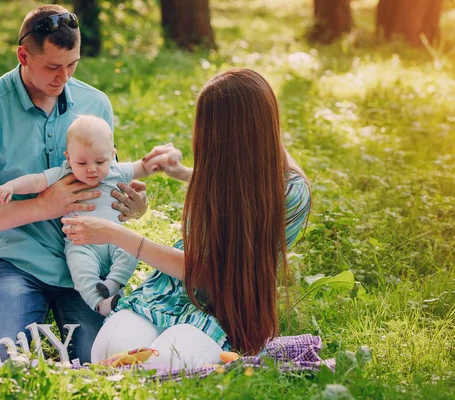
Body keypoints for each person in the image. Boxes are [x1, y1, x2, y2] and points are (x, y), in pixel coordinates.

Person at [0, 5, 147, 363]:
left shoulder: (96, 103)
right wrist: (44, 206)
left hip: (89, 267)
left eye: (72, 65)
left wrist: (134, 206)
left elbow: (107, 181)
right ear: (23, 55)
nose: (63, 78)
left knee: (107, 365)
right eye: (52, 67)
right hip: (18, 264)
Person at [62, 69, 312, 368]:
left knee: (165, 362)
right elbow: (237, 181)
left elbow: (210, 273)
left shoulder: (291, 194)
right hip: (168, 291)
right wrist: (182, 173)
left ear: (235, 138)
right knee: (108, 349)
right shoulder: (232, 166)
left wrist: (115, 234)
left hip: (224, 308)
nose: (198, 138)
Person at [0, 115, 167, 316]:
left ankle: (112, 284)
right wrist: (11, 186)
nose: (91, 169)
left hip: (114, 236)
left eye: (100, 161)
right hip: (81, 243)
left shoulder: (116, 171)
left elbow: (143, 167)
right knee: (80, 272)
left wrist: (158, 160)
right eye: (82, 163)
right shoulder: (64, 173)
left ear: (112, 155)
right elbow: (36, 181)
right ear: (68, 158)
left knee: (132, 248)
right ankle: (100, 304)